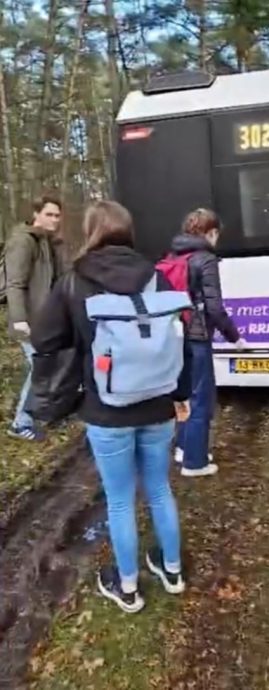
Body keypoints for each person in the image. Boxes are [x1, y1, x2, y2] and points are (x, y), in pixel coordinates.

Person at [30, 200, 193, 613]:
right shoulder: (156, 278)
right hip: (158, 404)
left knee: (119, 500)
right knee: (159, 488)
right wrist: (181, 396)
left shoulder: (74, 281)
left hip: (106, 411)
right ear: (127, 231)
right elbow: (180, 340)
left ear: (92, 232)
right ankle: (171, 571)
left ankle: (128, 588)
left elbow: (45, 339)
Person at [163, 209, 246, 477]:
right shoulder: (205, 260)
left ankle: (184, 447)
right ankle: (195, 463)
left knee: (184, 395)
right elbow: (215, 308)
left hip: (175, 336)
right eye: (216, 234)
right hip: (197, 337)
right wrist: (235, 337)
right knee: (201, 398)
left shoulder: (173, 257)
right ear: (210, 233)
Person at [5, 195, 64, 441]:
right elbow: (15, 283)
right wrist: (20, 319)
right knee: (39, 366)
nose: (54, 220)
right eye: (49, 214)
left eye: (57, 215)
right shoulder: (23, 241)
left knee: (48, 365)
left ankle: (43, 413)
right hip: (30, 320)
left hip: (47, 319)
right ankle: (20, 422)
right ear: (37, 214)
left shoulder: (49, 242)